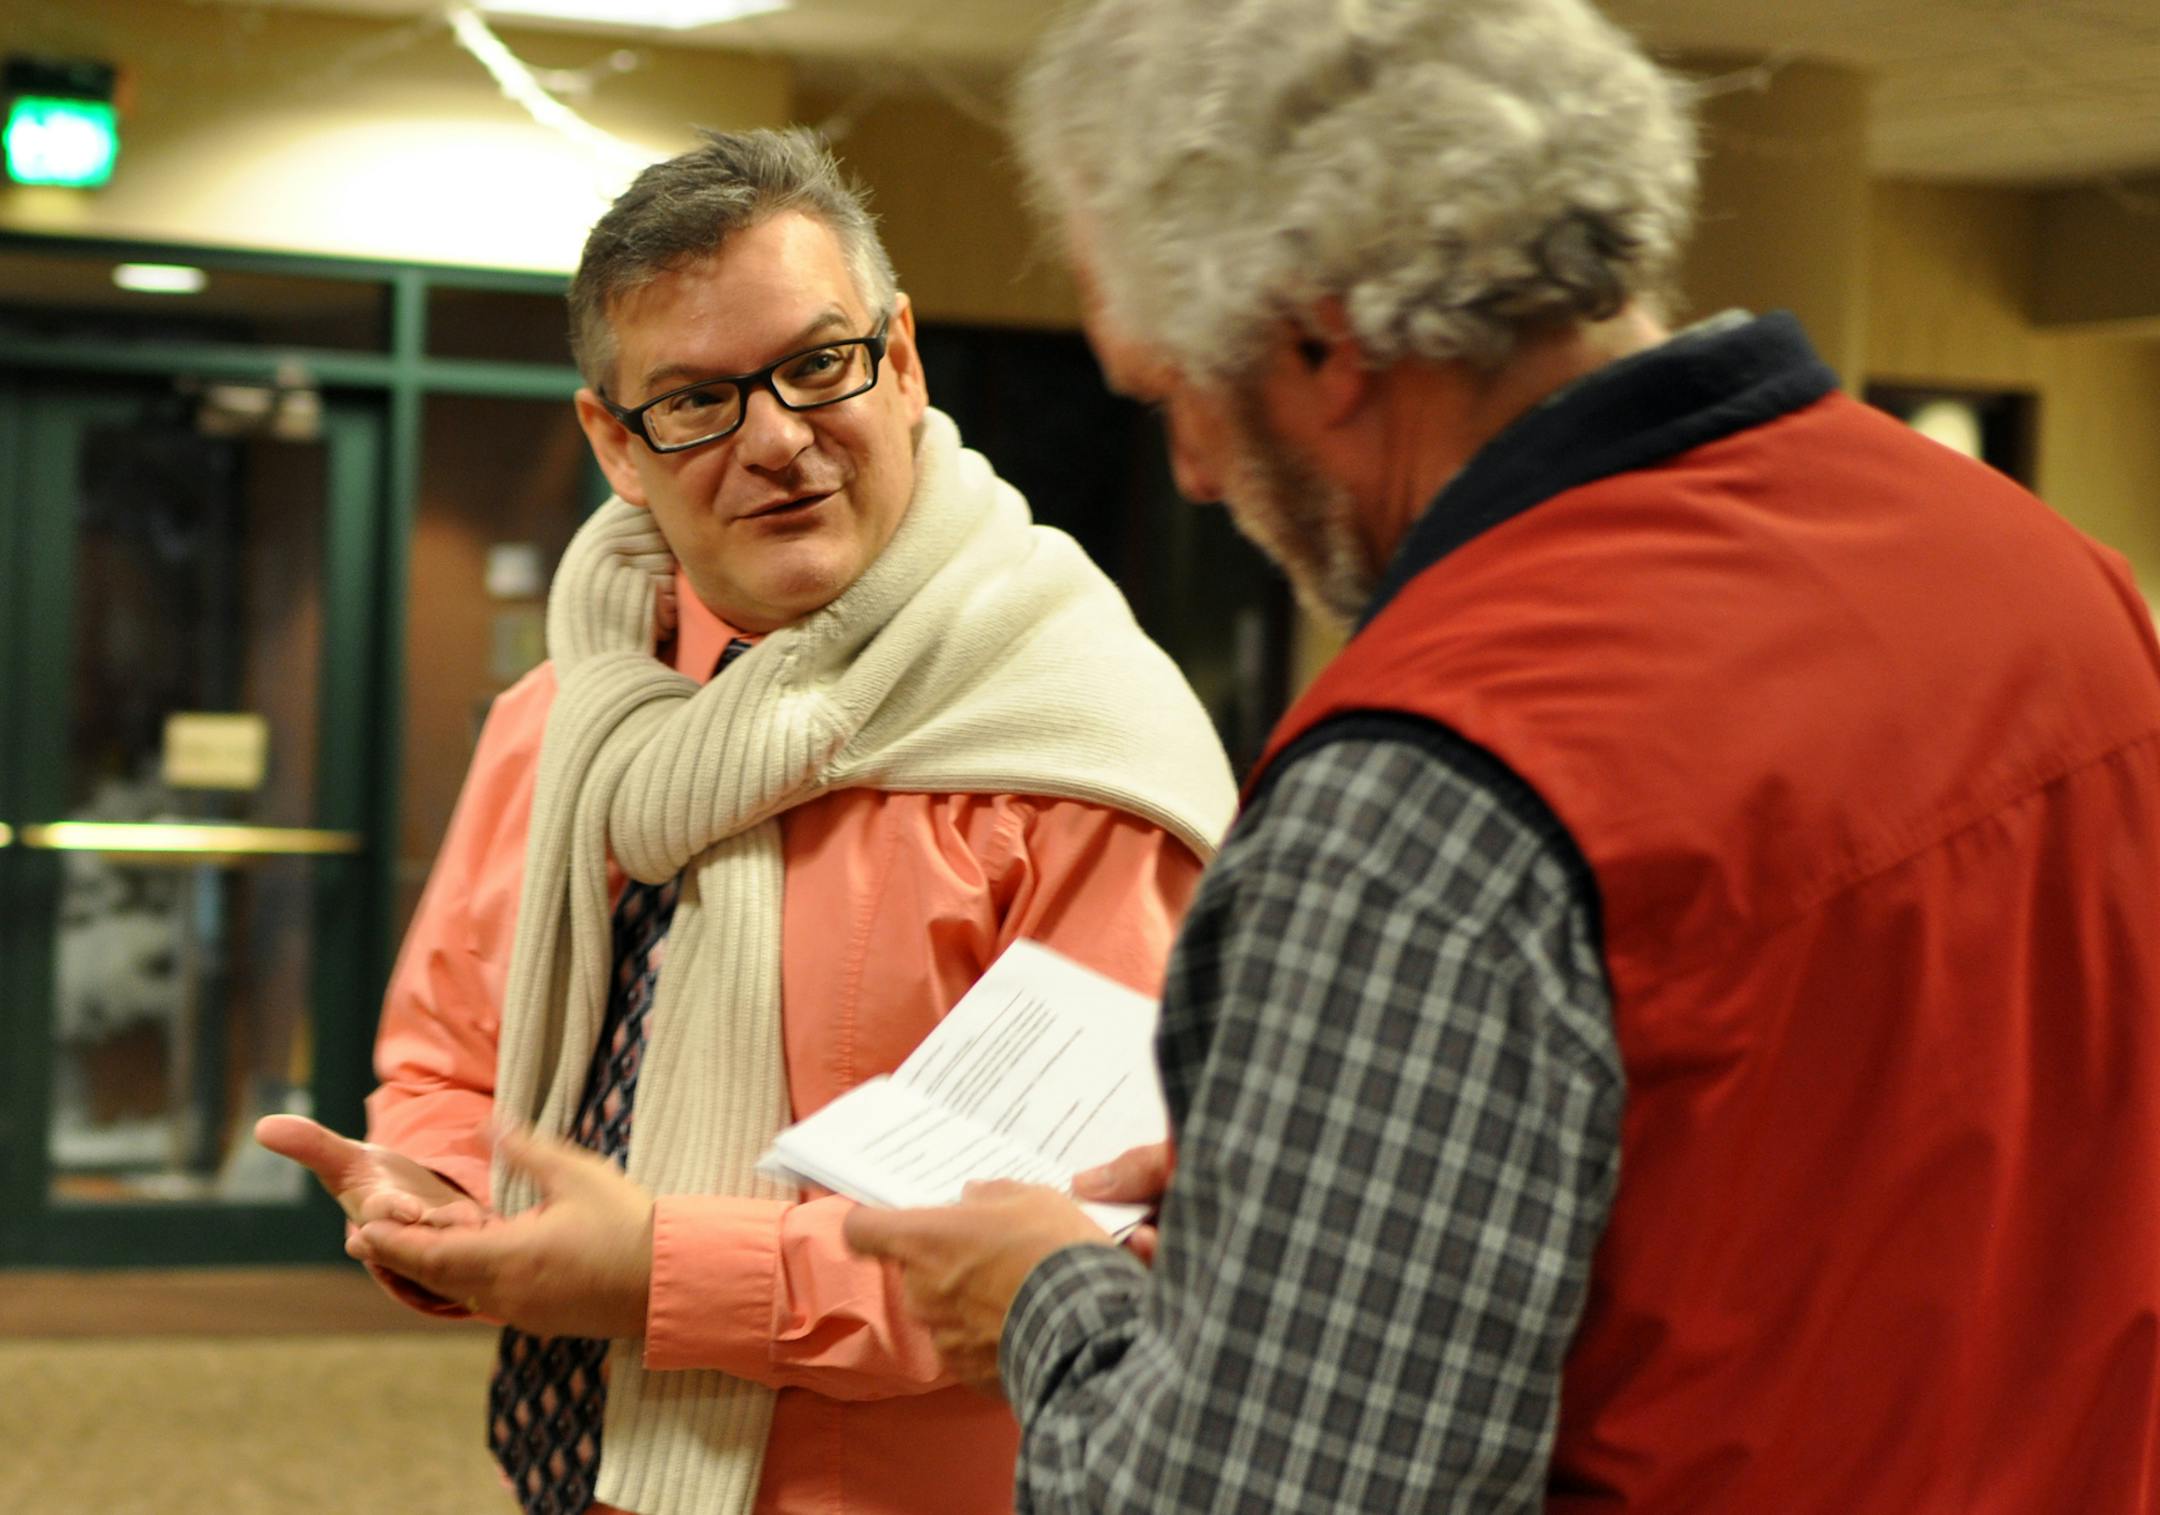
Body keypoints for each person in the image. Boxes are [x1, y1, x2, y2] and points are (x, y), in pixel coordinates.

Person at [843, 1, 2160, 1509]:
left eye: (1169, 389)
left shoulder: (1424, 795)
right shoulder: (2055, 583)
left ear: (1320, 334)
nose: (1194, 474)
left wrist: (1046, 1304)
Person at [256, 126, 1237, 1515]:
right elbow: (452, 1054)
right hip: (579, 1474)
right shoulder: (567, 714)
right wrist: (439, 1193)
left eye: (816, 365)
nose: (777, 441)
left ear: (900, 361)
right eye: (697, 402)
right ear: (617, 443)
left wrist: (654, 1270)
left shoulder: (1075, 750)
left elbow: (1086, 1246)